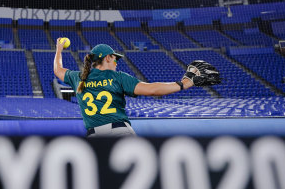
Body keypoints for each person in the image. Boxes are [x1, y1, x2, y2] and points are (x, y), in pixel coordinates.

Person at [53, 40, 195, 137]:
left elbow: (58, 70)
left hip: (94, 136)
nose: (116, 62)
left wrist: (59, 49)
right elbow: (152, 89)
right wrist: (182, 84)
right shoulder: (118, 77)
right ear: (107, 58)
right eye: (115, 59)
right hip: (119, 132)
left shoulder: (79, 77)